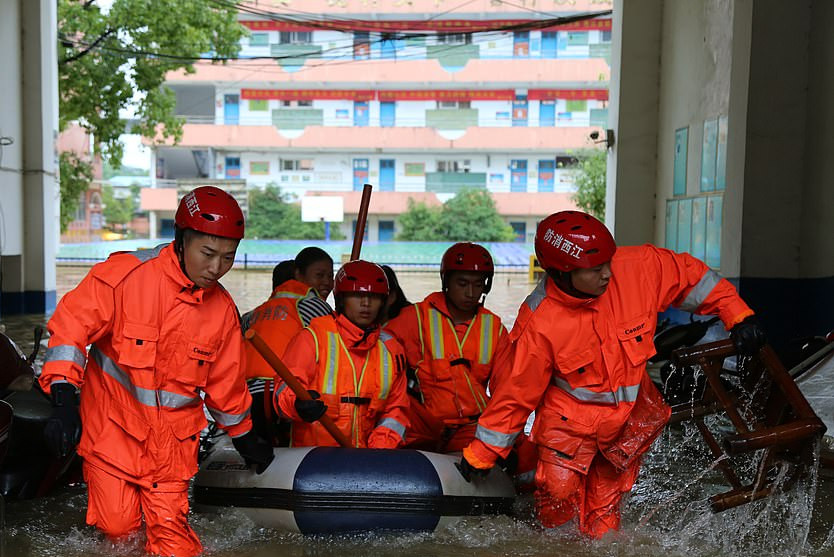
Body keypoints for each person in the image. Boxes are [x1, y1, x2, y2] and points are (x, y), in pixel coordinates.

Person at [459, 211, 766, 538]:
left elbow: (694, 278)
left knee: (604, 521)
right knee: (557, 499)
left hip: (626, 423)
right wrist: (483, 453)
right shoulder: (539, 321)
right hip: (568, 426)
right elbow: (515, 394)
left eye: (608, 262)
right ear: (563, 272)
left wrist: (738, 316)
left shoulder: (638, 268)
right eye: (596, 269)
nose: (608, 273)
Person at [39, 186, 274, 557]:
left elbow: (225, 385)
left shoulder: (222, 312)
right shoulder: (124, 276)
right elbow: (70, 328)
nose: (216, 268)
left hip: (171, 449)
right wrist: (63, 394)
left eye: (228, 257)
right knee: (119, 533)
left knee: (174, 551)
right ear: (181, 240)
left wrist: (245, 436)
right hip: (113, 433)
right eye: (207, 254)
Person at [384, 243, 510, 453]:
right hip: (420, 426)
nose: (471, 292)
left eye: (478, 284)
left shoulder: (494, 328)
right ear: (446, 281)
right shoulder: (415, 318)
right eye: (462, 283)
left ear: (486, 286)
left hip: (471, 428)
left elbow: (507, 391)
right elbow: (375, 355)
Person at [274, 260, 410, 448]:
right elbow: (283, 392)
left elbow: (396, 412)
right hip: (313, 456)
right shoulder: (313, 338)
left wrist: (376, 454)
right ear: (341, 299)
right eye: (357, 295)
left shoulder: (391, 350)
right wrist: (297, 405)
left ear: (383, 301)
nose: (366, 303)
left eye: (374, 296)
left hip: (367, 457)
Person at [241, 250, 333, 444]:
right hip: (284, 396)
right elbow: (336, 345)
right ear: (298, 275)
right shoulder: (315, 306)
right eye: (320, 275)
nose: (327, 282)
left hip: (249, 397)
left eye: (330, 276)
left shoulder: (254, 314)